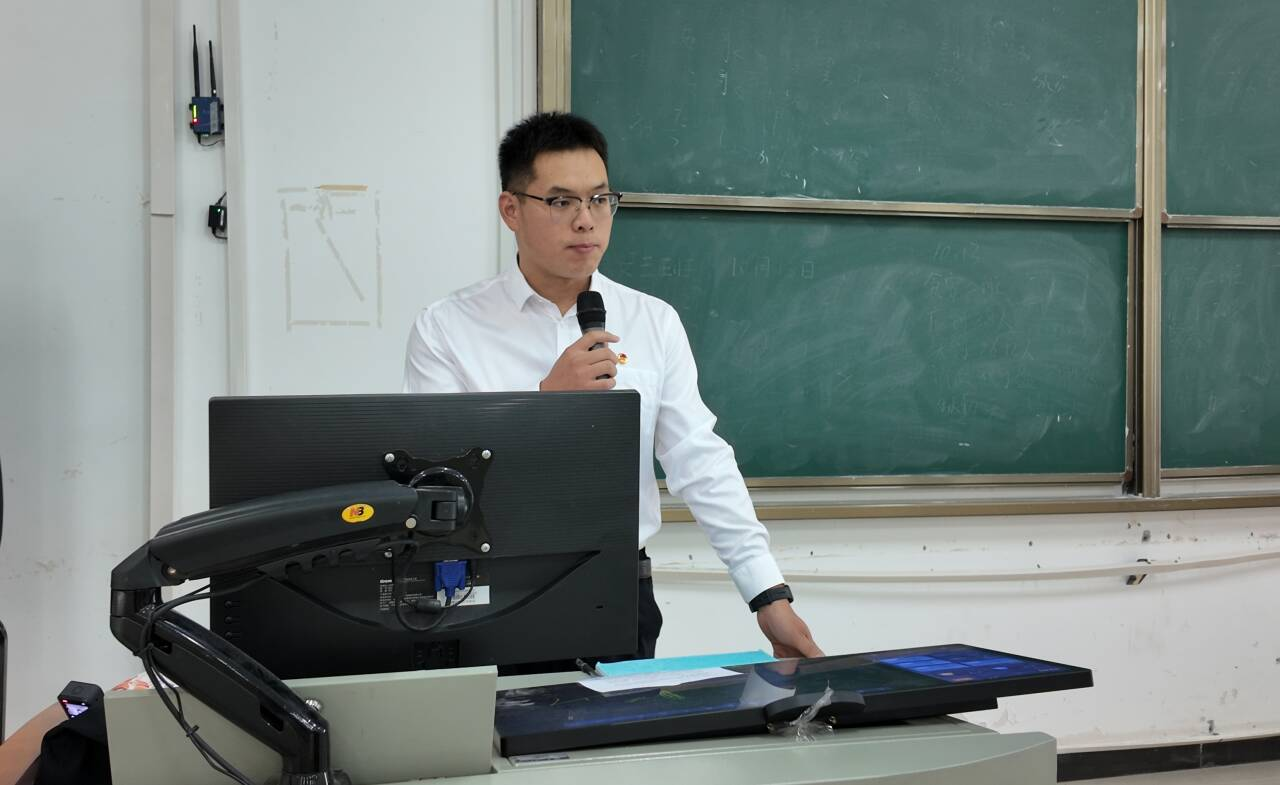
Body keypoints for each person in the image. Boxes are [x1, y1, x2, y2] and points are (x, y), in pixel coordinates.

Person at [404, 112, 822, 661]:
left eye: (600, 200)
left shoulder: (653, 321)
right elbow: (437, 486)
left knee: (625, 720)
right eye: (561, 202)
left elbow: (699, 459)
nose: (586, 221)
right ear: (511, 209)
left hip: (619, 588)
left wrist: (767, 593)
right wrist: (543, 407)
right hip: (486, 588)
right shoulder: (447, 328)